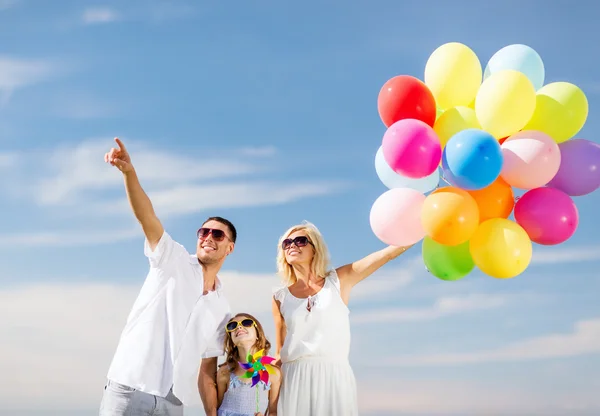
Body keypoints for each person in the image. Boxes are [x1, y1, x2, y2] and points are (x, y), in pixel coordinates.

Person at [100, 137, 236, 416]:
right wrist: (129, 173)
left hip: (173, 403)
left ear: (229, 247)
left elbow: (208, 367)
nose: (208, 237)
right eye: (203, 232)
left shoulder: (222, 307)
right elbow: (147, 217)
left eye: (217, 234)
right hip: (130, 388)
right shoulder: (171, 259)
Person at [271, 221, 412, 415]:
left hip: (334, 376)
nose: (293, 245)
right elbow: (279, 355)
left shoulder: (338, 280)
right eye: (287, 243)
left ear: (315, 249)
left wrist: (422, 229)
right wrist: (271, 406)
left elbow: (386, 255)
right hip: (293, 379)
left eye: (301, 241)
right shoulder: (280, 297)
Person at [216, 313, 281, 416]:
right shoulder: (225, 372)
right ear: (232, 341)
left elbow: (273, 411)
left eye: (246, 323)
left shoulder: (273, 374)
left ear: (257, 335)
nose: (239, 326)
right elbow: (217, 408)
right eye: (233, 326)